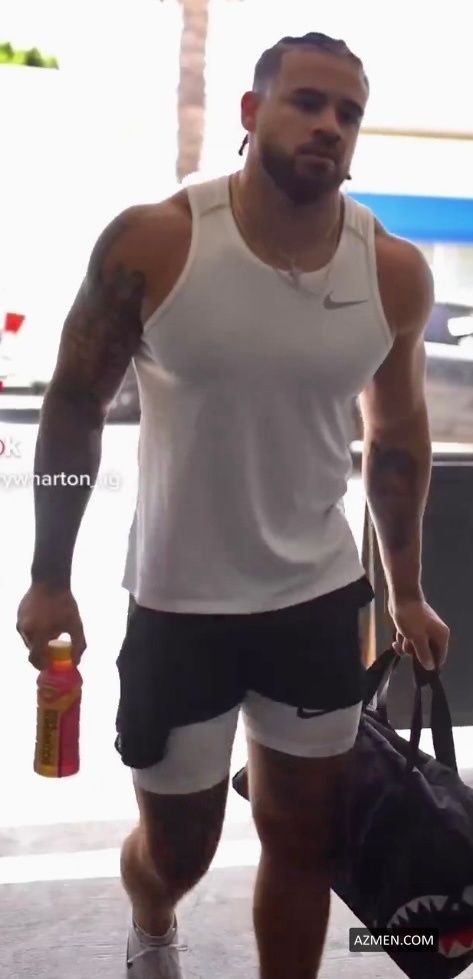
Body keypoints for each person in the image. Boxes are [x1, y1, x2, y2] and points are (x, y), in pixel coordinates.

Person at [16, 31, 450, 979]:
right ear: (252, 114)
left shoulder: (390, 272)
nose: (329, 125)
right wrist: (50, 576)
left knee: (303, 836)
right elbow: (74, 408)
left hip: (316, 603)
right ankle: (153, 920)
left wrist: (407, 591)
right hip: (180, 604)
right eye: (307, 102)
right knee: (179, 848)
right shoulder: (157, 243)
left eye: (347, 113)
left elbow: (395, 443)